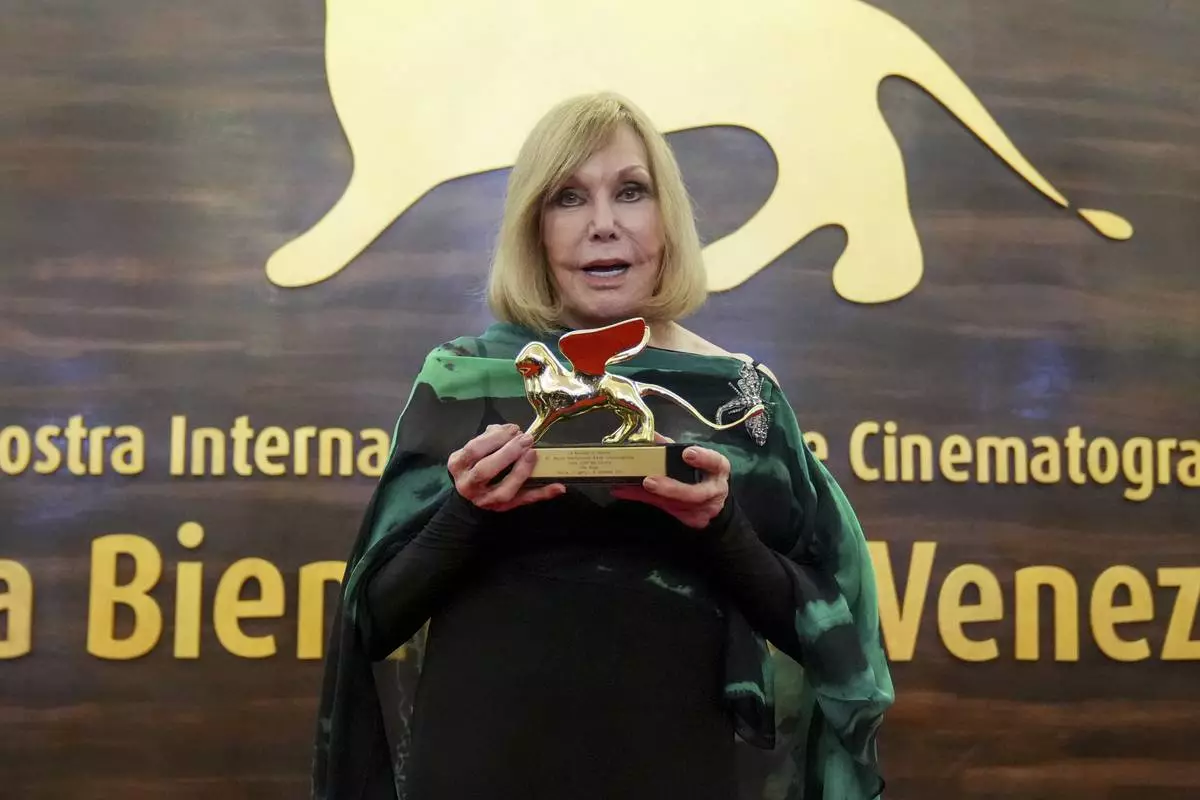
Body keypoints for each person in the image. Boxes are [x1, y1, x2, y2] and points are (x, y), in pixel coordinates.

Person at [313, 92, 893, 800]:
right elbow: (372, 620)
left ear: (666, 218)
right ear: (535, 228)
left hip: (672, 770)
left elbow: (830, 632)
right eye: (569, 197)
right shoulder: (464, 380)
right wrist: (466, 514)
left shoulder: (739, 399)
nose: (603, 224)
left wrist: (722, 531)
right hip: (479, 766)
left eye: (631, 191)